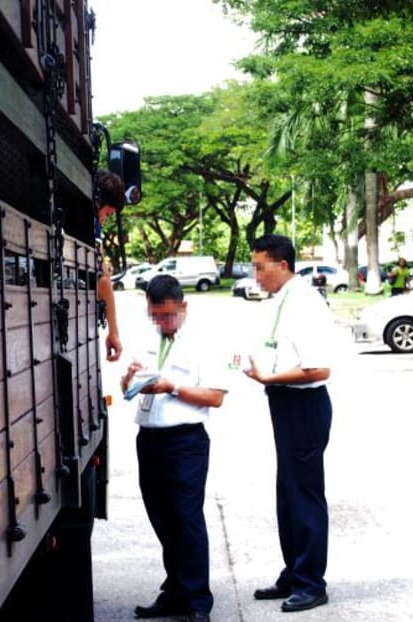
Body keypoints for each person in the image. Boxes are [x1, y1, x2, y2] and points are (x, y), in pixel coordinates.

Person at [120, 274, 227, 622]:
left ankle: (198, 601)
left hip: (185, 442)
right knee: (162, 518)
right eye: (156, 315)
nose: (162, 322)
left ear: (184, 307)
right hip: (149, 439)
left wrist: (171, 387)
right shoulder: (147, 336)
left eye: (168, 316)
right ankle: (176, 590)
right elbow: (127, 386)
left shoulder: (204, 342)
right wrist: (130, 378)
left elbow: (214, 396)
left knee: (187, 520)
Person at [243, 234, 333, 613]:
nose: (255, 275)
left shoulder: (305, 302)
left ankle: (312, 582)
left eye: (260, 266)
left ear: (282, 265)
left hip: (304, 405)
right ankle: (294, 573)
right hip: (285, 403)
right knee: (287, 494)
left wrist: (269, 378)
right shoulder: (282, 299)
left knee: (304, 495)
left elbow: (318, 368)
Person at [96, 170, 125, 361]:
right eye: (108, 212)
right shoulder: (90, 224)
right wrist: (113, 331)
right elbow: (103, 279)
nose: (105, 219)